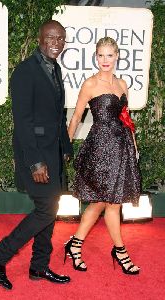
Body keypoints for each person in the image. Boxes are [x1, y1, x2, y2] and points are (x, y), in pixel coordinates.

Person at [0, 20, 73, 290]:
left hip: (53, 153)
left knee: (51, 209)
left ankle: (39, 266)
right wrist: (35, 161)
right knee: (46, 210)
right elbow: (22, 121)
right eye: (51, 38)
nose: (55, 43)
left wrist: (65, 147)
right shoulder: (25, 72)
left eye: (60, 39)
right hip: (34, 154)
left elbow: (58, 117)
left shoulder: (55, 69)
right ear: (39, 38)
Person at [64, 37, 141, 275]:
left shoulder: (122, 84)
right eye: (100, 55)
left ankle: (74, 245)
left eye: (109, 55)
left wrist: (134, 147)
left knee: (105, 202)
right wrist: (65, 146)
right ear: (95, 57)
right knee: (105, 202)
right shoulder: (90, 84)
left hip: (121, 148)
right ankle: (120, 251)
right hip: (100, 148)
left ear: (117, 56)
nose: (104, 60)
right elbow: (76, 117)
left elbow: (126, 118)